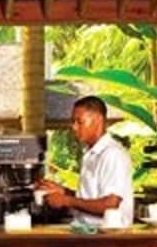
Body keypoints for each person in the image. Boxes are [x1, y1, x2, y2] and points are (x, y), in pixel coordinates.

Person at [39, 95, 134, 227]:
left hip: (106, 235)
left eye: (79, 122)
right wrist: (64, 192)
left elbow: (111, 204)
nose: (74, 127)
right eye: (73, 121)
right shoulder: (90, 153)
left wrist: (66, 200)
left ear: (98, 120)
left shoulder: (112, 154)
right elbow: (91, 199)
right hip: (86, 231)